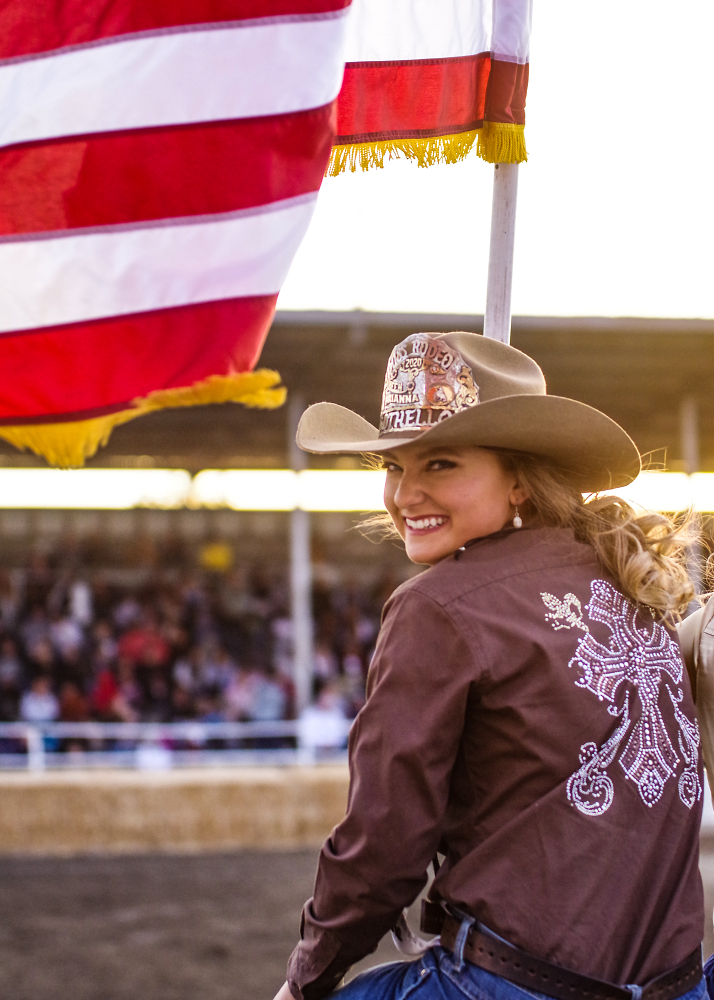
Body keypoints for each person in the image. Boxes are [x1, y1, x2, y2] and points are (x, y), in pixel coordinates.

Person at [273, 332, 706, 1000]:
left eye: (440, 464)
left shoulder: (436, 607)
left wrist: (308, 977)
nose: (404, 493)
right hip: (673, 986)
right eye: (392, 467)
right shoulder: (630, 583)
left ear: (520, 479)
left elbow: (382, 852)